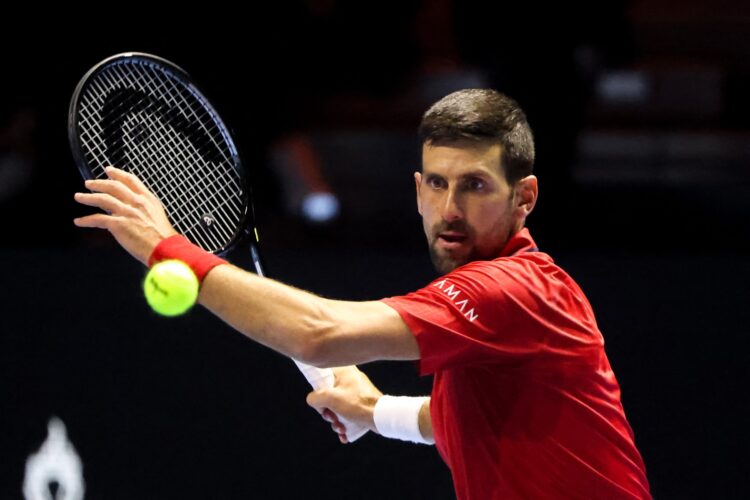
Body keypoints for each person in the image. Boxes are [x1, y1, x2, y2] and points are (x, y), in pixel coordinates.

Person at [73, 89, 650, 499]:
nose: (450, 209)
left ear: (524, 198)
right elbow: (466, 421)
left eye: (475, 185)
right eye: (438, 184)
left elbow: (317, 334)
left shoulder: (512, 289)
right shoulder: (507, 309)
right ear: (418, 191)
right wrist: (375, 411)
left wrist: (166, 249)